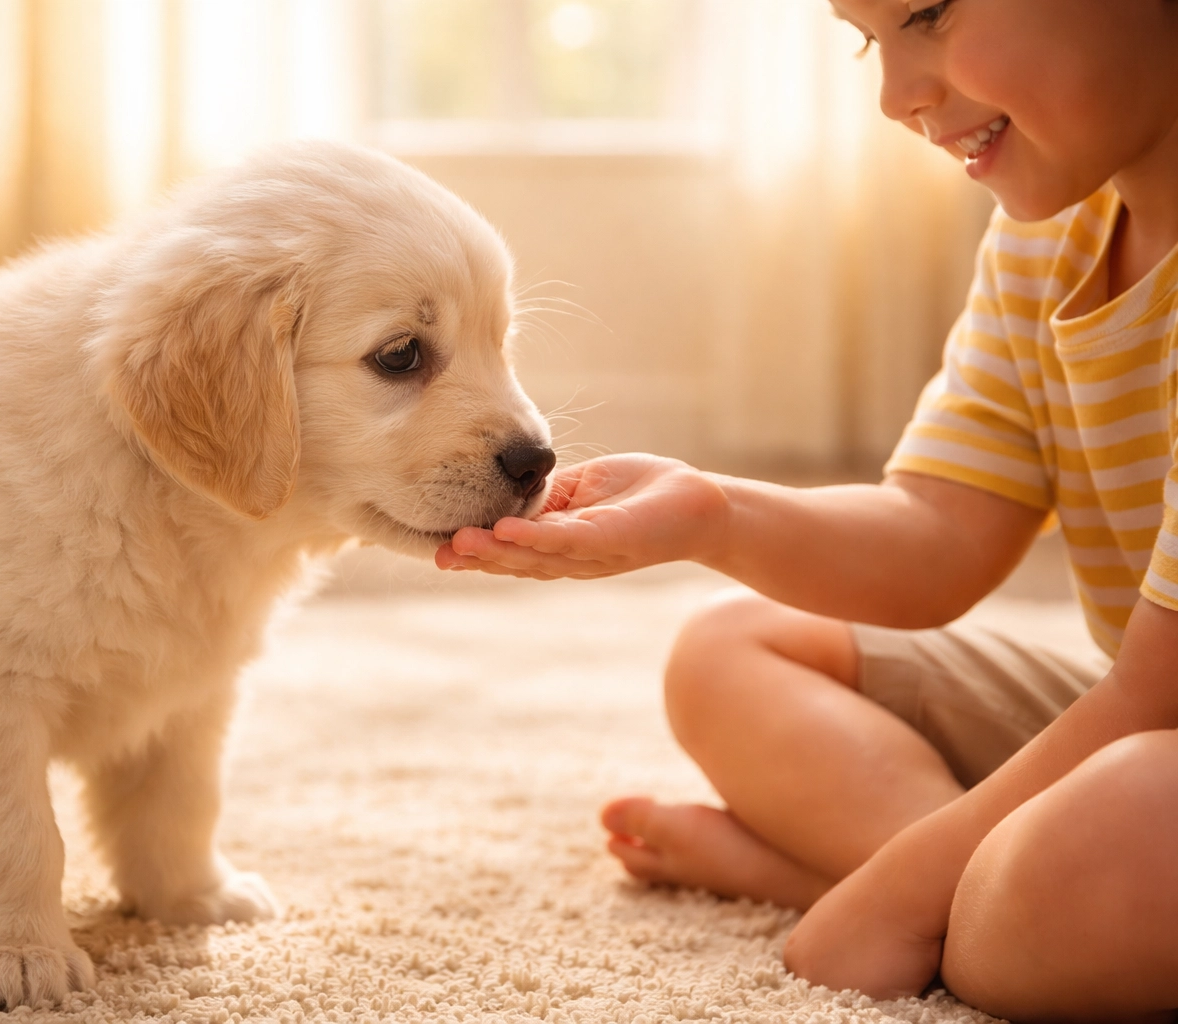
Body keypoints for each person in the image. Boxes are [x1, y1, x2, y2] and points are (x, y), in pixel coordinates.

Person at [436, 1, 1178, 1019]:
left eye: (927, 12)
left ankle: (908, 886)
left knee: (1116, 839)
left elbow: (1155, 694)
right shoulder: (1046, 242)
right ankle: (943, 882)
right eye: (872, 39)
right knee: (731, 651)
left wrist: (893, 892)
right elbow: (938, 534)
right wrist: (713, 515)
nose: (894, 94)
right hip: (1145, 723)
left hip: (1153, 737)